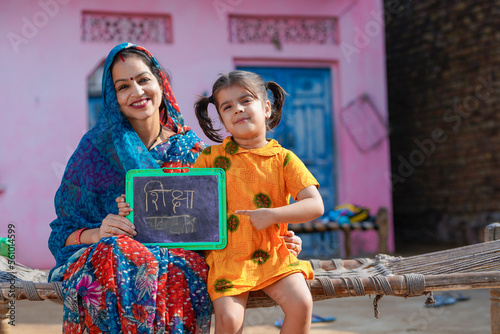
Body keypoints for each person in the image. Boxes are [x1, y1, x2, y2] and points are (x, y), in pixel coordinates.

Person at [48, 43, 303, 333]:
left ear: (160, 82)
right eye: (123, 86)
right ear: (113, 97)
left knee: (169, 266)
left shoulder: (192, 151)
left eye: (144, 80)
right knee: (117, 250)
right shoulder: (94, 151)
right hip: (110, 255)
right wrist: (97, 232)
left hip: (181, 262)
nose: (136, 92)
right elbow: (63, 233)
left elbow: (221, 220)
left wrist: (274, 239)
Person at [192, 70, 324, 334]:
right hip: (227, 257)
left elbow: (315, 205)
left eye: (245, 101)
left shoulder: (284, 159)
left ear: (266, 108)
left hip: (273, 253)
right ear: (222, 120)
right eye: (228, 107)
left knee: (301, 302)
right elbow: (192, 204)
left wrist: (275, 215)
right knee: (229, 320)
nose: (238, 109)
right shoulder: (209, 158)